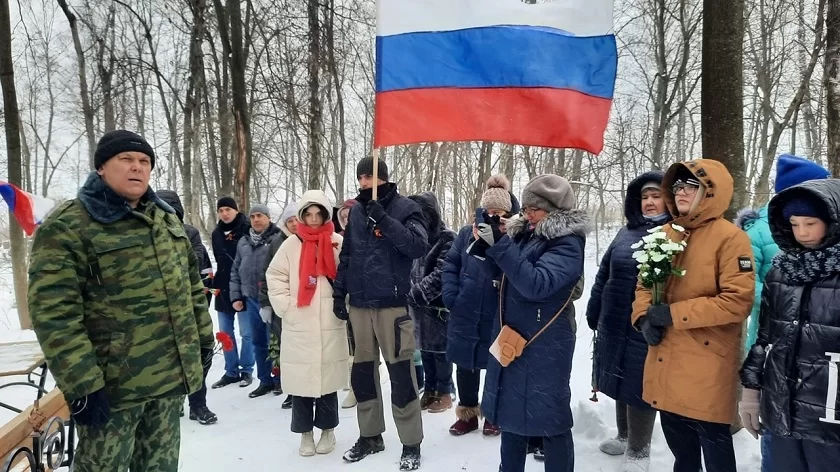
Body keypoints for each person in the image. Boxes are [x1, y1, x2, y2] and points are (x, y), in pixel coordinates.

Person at [28, 130, 214, 471]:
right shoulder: (69, 225)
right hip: (112, 390)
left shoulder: (164, 219)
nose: (137, 167)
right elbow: (55, 314)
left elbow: (190, 288)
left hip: (168, 381)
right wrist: (82, 384)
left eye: (144, 161)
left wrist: (202, 343)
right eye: (126, 159)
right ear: (101, 167)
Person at [631, 160, 755, 472]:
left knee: (715, 452)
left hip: (707, 364)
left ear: (710, 191)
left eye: (690, 186)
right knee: (682, 453)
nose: (681, 192)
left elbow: (737, 302)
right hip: (666, 357)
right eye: (677, 186)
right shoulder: (666, 234)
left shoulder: (731, 238)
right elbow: (644, 284)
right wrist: (643, 318)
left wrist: (674, 314)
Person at [476, 174, 588, 472]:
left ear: (553, 210)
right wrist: (486, 245)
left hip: (546, 343)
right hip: (515, 335)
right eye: (524, 208)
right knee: (511, 415)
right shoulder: (526, 234)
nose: (526, 215)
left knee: (550, 419)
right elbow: (506, 275)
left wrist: (502, 246)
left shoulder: (567, 242)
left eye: (533, 209)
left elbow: (536, 284)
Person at [734, 154, 830, 472]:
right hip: (779, 371)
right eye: (795, 224)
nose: (802, 232)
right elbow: (746, 288)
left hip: (826, 397)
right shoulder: (767, 246)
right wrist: (751, 390)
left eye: (810, 224)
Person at [334, 157, 428, 470]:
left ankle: (411, 442)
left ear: (383, 178)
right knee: (362, 375)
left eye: (369, 177)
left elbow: (417, 246)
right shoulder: (357, 211)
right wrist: (339, 292)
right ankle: (370, 435)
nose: (364, 183)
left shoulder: (406, 208)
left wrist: (385, 220)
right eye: (360, 177)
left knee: (401, 375)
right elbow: (347, 255)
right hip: (360, 305)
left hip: (392, 305)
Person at [586, 172, 667, 469]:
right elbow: (603, 273)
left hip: (646, 325)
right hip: (614, 320)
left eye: (656, 196)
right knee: (619, 377)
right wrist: (594, 308)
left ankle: (638, 451)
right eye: (644, 197)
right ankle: (623, 436)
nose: (649, 202)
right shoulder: (625, 233)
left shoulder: (674, 233)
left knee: (640, 385)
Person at [266, 190, 349, 457]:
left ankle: (328, 431)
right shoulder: (291, 244)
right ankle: (305, 434)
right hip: (299, 323)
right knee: (301, 383)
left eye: (318, 214)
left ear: (326, 215)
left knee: (327, 382)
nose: (313, 219)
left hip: (330, 322)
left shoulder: (337, 242)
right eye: (308, 214)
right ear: (302, 216)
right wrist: (286, 307)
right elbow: (275, 276)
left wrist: (343, 304)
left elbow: (348, 275)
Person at [443, 174, 519, 437]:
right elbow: (451, 264)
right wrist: (451, 295)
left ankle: (493, 414)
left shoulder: (514, 235)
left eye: (499, 212)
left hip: (497, 311)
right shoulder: (467, 233)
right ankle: (467, 413)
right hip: (465, 308)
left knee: (496, 364)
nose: (493, 216)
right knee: (465, 364)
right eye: (490, 211)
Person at [157, 189, 218, 426]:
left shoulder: (189, 233)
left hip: (188, 306)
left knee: (198, 355)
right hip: (159, 311)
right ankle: (172, 403)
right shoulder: (146, 235)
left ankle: (198, 404)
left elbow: (196, 262)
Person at [407, 192, 457, 414]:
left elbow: (443, 271)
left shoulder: (447, 238)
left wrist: (420, 292)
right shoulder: (415, 239)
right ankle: (430, 389)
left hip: (439, 305)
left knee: (441, 350)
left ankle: (445, 391)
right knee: (425, 349)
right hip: (417, 306)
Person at [230, 204, 284, 398]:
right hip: (251, 299)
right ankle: (265, 380)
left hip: (272, 299)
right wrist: (236, 296)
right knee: (258, 341)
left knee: (276, 341)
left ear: (268, 217)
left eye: (260, 215)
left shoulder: (277, 239)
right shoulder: (244, 242)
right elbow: (235, 270)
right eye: (252, 216)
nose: (256, 220)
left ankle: (280, 379)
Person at [211, 196, 255, 389]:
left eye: (228, 209)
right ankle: (231, 372)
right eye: (221, 210)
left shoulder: (247, 229)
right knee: (225, 333)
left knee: (247, 333)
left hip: (243, 287)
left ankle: (247, 370)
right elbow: (219, 260)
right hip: (222, 287)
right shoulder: (216, 233)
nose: (224, 214)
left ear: (236, 210)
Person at [260, 203, 299, 406]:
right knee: (287, 350)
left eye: (296, 219)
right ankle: (292, 391)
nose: (294, 224)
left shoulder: (310, 239)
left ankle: (310, 390)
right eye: (289, 221)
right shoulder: (277, 243)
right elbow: (267, 274)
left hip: (305, 304)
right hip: (282, 305)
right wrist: (265, 303)